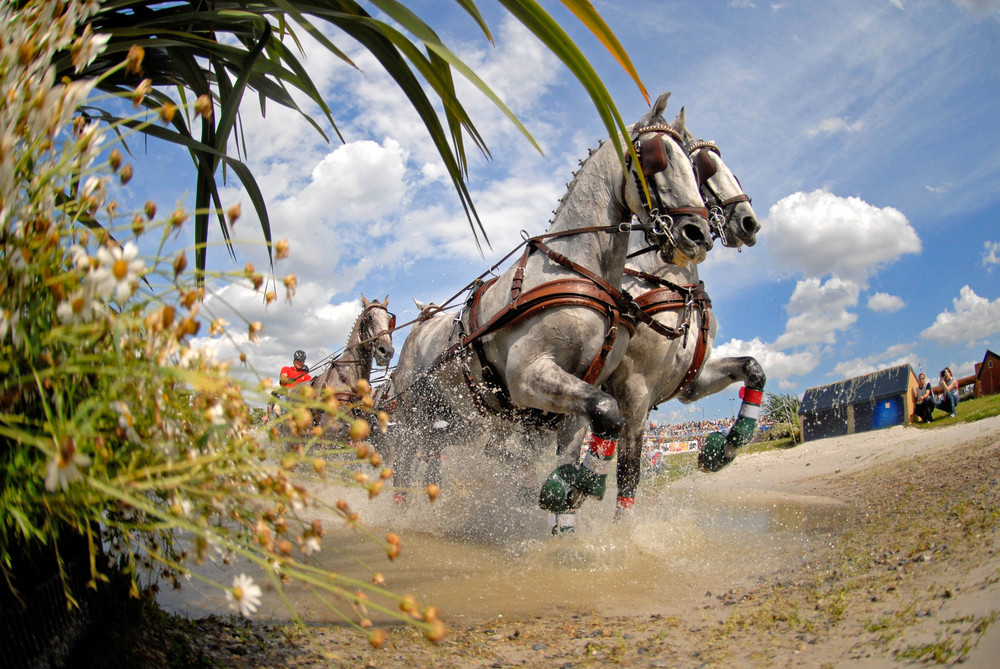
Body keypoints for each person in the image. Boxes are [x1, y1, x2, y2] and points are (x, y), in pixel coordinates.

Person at [264, 350, 312, 423]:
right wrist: (289, 380)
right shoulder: (286, 369)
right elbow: (283, 378)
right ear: (294, 361)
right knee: (283, 399)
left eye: (301, 361)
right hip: (286, 395)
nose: (299, 362)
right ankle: (284, 421)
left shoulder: (306, 376)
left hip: (299, 398)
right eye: (297, 360)